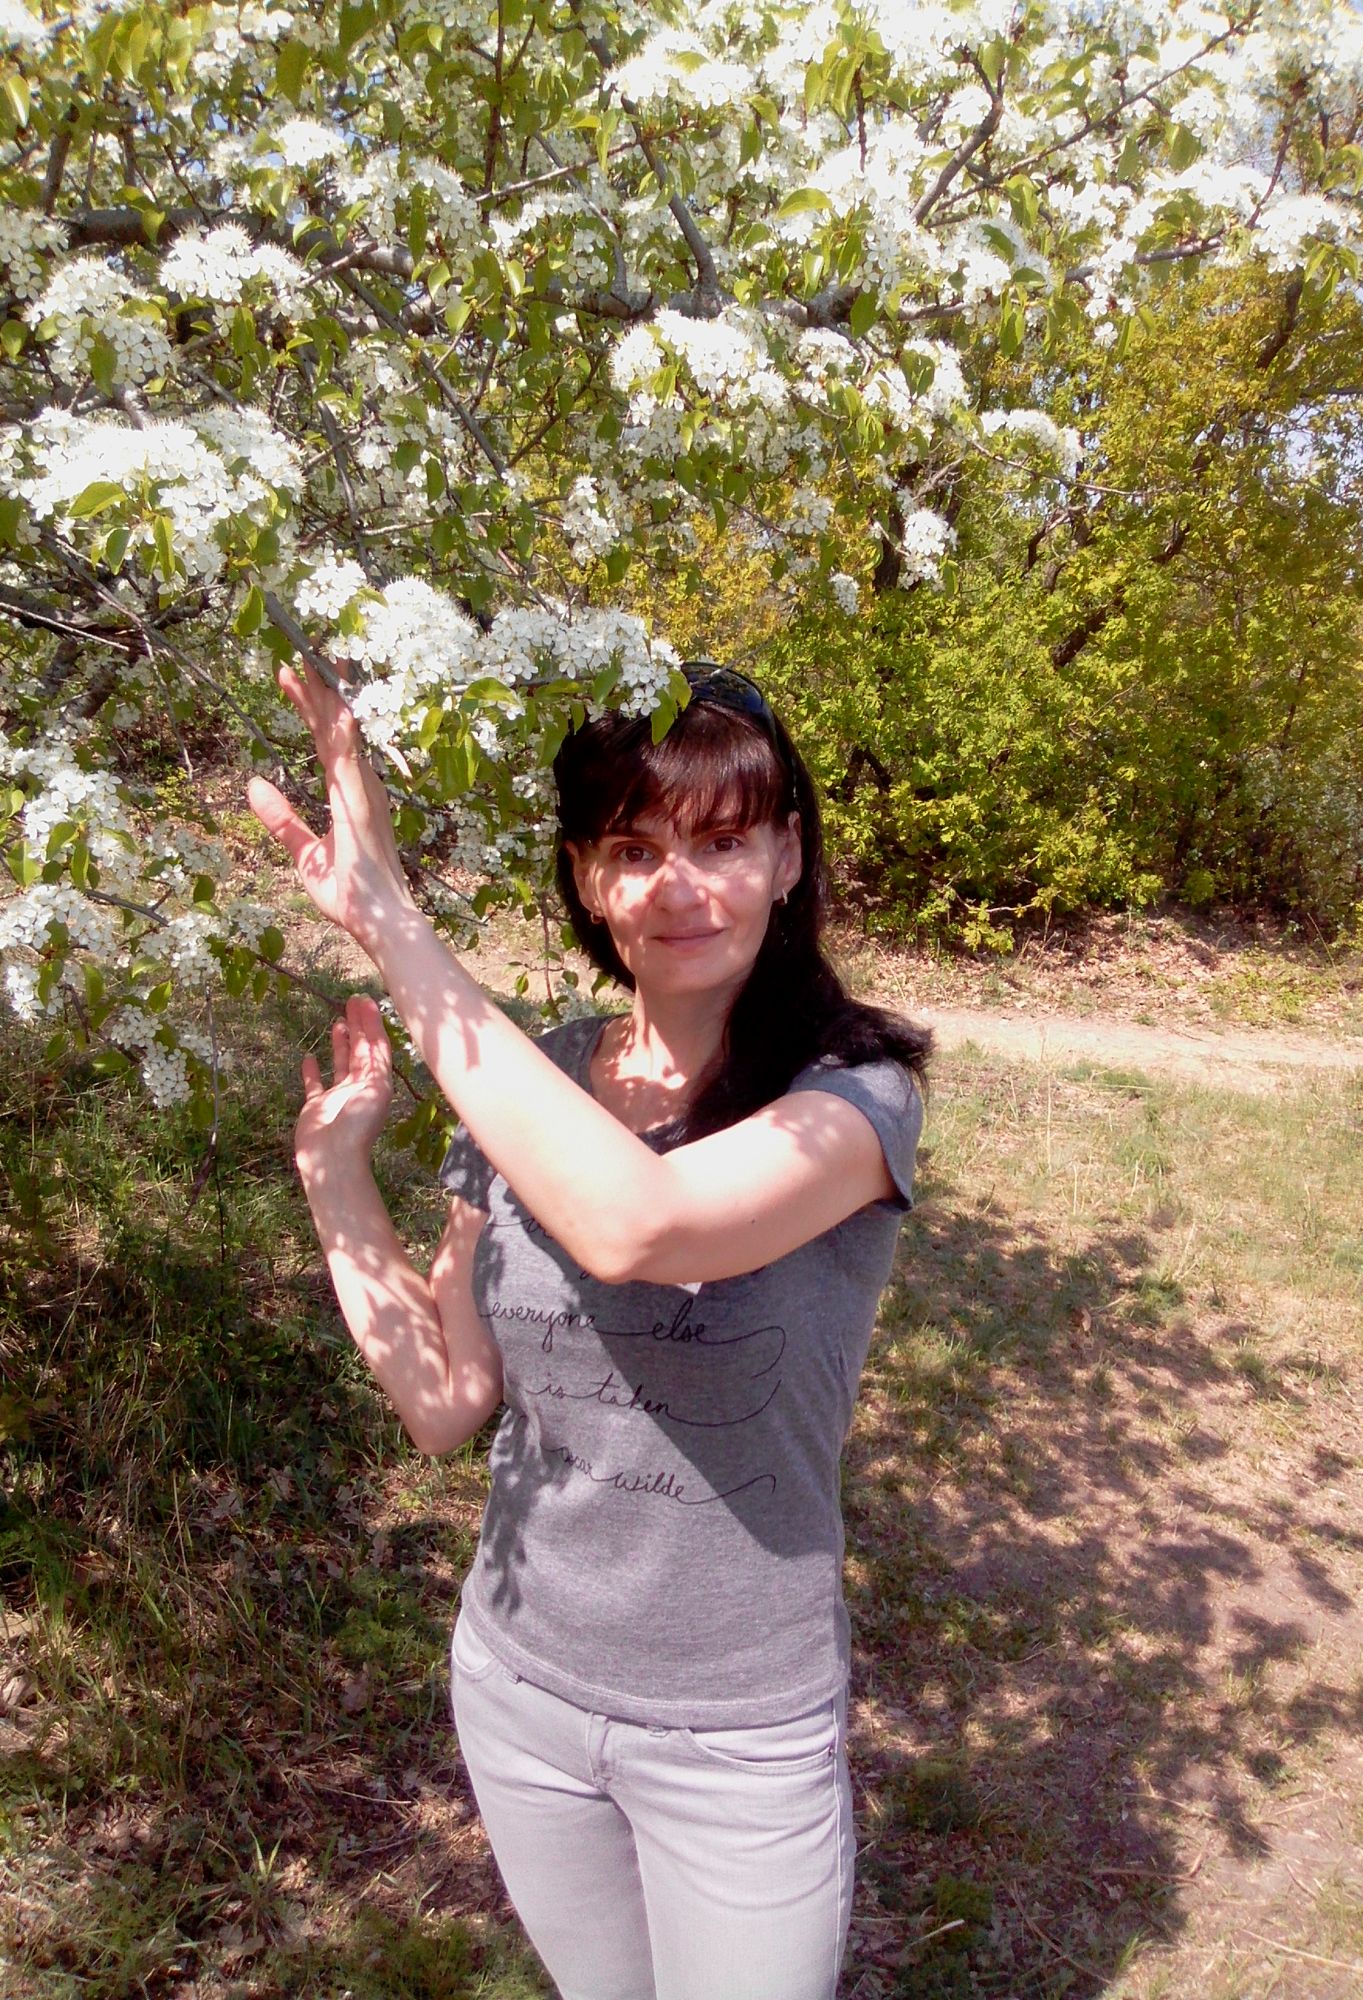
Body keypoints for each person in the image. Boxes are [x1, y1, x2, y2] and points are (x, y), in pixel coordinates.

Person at [248, 660, 929, 2000]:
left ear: (788, 858)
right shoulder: (539, 1080)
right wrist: (333, 1178)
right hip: (521, 1688)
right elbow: (446, 1402)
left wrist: (388, 920)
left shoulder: (852, 1096)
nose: (681, 888)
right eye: (634, 850)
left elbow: (640, 1226)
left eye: (724, 842)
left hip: (735, 1732)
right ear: (586, 878)